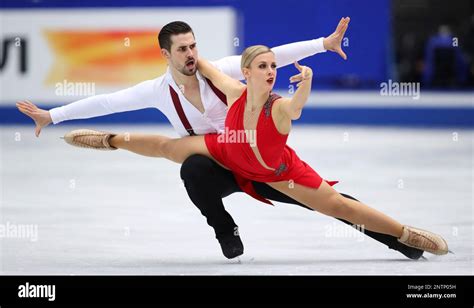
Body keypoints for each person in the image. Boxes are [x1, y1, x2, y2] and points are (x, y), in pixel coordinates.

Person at [17, 19, 430, 259]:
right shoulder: (156, 91)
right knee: (187, 164)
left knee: (333, 204)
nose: (191, 53)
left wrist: (321, 45)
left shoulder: (226, 71)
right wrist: (53, 114)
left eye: (194, 46)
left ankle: (401, 242)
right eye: (182, 49)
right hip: (217, 159)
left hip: (262, 160)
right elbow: (108, 101)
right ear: (166, 54)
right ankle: (224, 228)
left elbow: (274, 57)